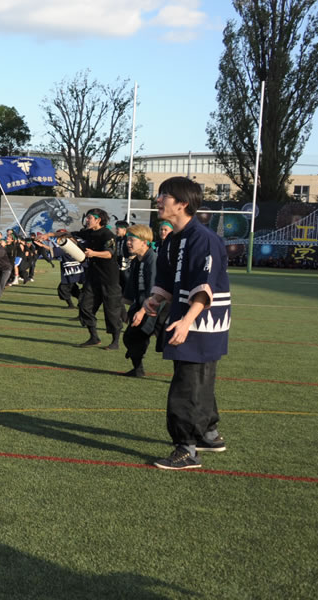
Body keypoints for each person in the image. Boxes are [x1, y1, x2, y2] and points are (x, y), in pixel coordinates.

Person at [134, 177, 230, 470]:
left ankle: (187, 449)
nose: (159, 200)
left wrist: (188, 321)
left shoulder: (203, 238)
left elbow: (204, 287)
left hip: (201, 322)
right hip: (187, 318)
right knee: (198, 381)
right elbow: (166, 279)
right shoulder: (174, 238)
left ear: (183, 203)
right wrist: (155, 299)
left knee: (186, 387)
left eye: (164, 195)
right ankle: (208, 434)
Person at [70, 208, 122, 350]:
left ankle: (115, 341)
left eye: (89, 218)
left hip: (109, 279)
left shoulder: (108, 235)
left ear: (98, 220)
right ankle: (94, 337)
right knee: (84, 306)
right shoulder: (89, 232)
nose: (87, 220)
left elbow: (109, 254)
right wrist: (49, 235)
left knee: (111, 311)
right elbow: (69, 234)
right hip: (93, 277)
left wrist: (93, 253)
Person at [121, 224, 164, 378]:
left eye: (132, 239)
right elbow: (131, 289)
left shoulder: (152, 259)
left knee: (167, 344)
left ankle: (184, 374)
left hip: (156, 308)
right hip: (142, 305)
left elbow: (153, 291)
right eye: (127, 239)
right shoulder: (137, 261)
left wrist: (141, 312)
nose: (128, 242)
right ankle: (138, 369)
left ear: (144, 241)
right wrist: (126, 308)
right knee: (131, 337)